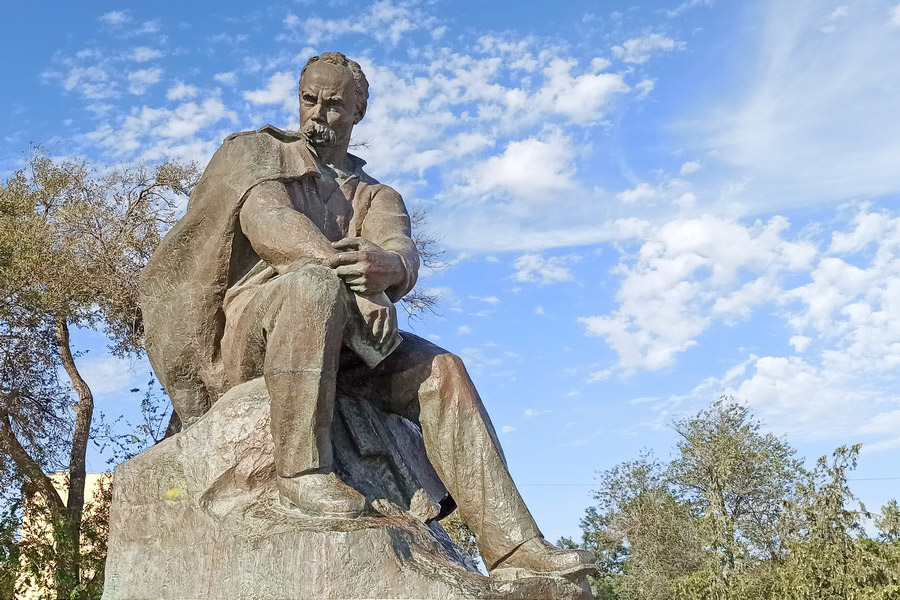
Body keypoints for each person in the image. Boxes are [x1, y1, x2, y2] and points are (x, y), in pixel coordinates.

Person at [140, 52, 594, 580]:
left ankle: (515, 550)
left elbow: (400, 249)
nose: (317, 115)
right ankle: (302, 471)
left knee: (441, 370)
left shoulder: (377, 193)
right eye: (309, 100)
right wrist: (351, 281)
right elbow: (271, 225)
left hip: (344, 344)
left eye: (333, 106)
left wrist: (391, 267)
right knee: (311, 287)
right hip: (257, 333)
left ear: (358, 113)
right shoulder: (258, 153)